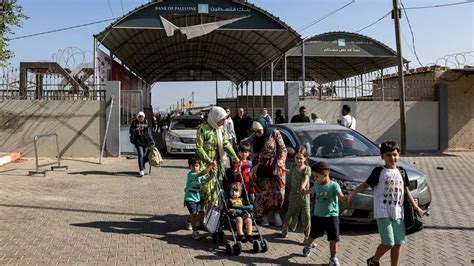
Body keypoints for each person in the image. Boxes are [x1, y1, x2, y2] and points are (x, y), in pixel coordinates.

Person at [347, 140, 424, 266]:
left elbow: (406, 190)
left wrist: (416, 207)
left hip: (398, 212)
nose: (392, 158)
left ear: (398, 155)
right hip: (383, 212)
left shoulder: (402, 171)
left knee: (398, 243)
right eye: (388, 155)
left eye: (394, 154)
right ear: (382, 156)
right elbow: (365, 184)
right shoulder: (379, 171)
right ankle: (373, 260)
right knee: (389, 242)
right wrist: (352, 193)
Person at [196, 106, 239, 216]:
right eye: (222, 119)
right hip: (205, 166)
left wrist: (235, 157)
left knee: (213, 194)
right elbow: (199, 147)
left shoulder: (221, 129)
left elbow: (226, 144)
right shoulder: (203, 128)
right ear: (215, 117)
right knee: (204, 192)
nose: (224, 121)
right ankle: (196, 217)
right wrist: (209, 161)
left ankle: (207, 218)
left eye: (225, 119)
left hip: (217, 166)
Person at [302, 161, 345, 266]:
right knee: (312, 236)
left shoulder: (334, 186)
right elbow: (313, 189)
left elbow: (341, 196)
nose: (315, 179)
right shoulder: (317, 184)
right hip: (318, 216)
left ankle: (333, 258)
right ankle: (307, 245)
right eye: (314, 176)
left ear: (325, 175)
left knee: (334, 239)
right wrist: (306, 191)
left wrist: (345, 198)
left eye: (316, 176)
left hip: (332, 216)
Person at [251, 117, 287, 226]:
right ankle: (264, 216)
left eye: (259, 131)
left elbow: (283, 149)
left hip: (276, 168)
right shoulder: (256, 139)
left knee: (279, 193)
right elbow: (254, 154)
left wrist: (280, 161)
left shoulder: (275, 134)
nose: (257, 134)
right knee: (263, 194)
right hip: (262, 168)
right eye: (255, 131)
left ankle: (276, 213)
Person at [281, 146, 311, 245]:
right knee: (290, 212)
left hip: (303, 196)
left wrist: (303, 186)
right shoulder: (293, 167)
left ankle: (307, 237)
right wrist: (284, 169)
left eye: (301, 158)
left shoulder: (307, 169)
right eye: (297, 158)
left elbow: (306, 178)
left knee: (306, 215)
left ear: (305, 158)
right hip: (293, 195)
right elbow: (291, 173)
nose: (298, 160)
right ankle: (285, 227)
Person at [184, 157, 217, 240]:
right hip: (190, 198)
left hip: (197, 198)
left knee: (202, 213)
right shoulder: (191, 174)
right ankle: (195, 232)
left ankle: (191, 220)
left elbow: (206, 180)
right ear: (190, 167)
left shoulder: (200, 176)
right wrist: (210, 165)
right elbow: (203, 173)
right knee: (194, 214)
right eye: (193, 166)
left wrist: (212, 175)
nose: (195, 168)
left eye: (197, 166)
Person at [129, 111, 155, 177]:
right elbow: (131, 131)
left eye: (142, 117)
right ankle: (141, 170)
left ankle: (142, 164)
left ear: (144, 117)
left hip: (146, 142)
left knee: (144, 155)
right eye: (139, 117)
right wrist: (136, 130)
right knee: (141, 154)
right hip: (138, 141)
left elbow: (149, 133)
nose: (141, 118)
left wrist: (152, 141)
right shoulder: (134, 122)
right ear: (138, 117)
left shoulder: (146, 122)